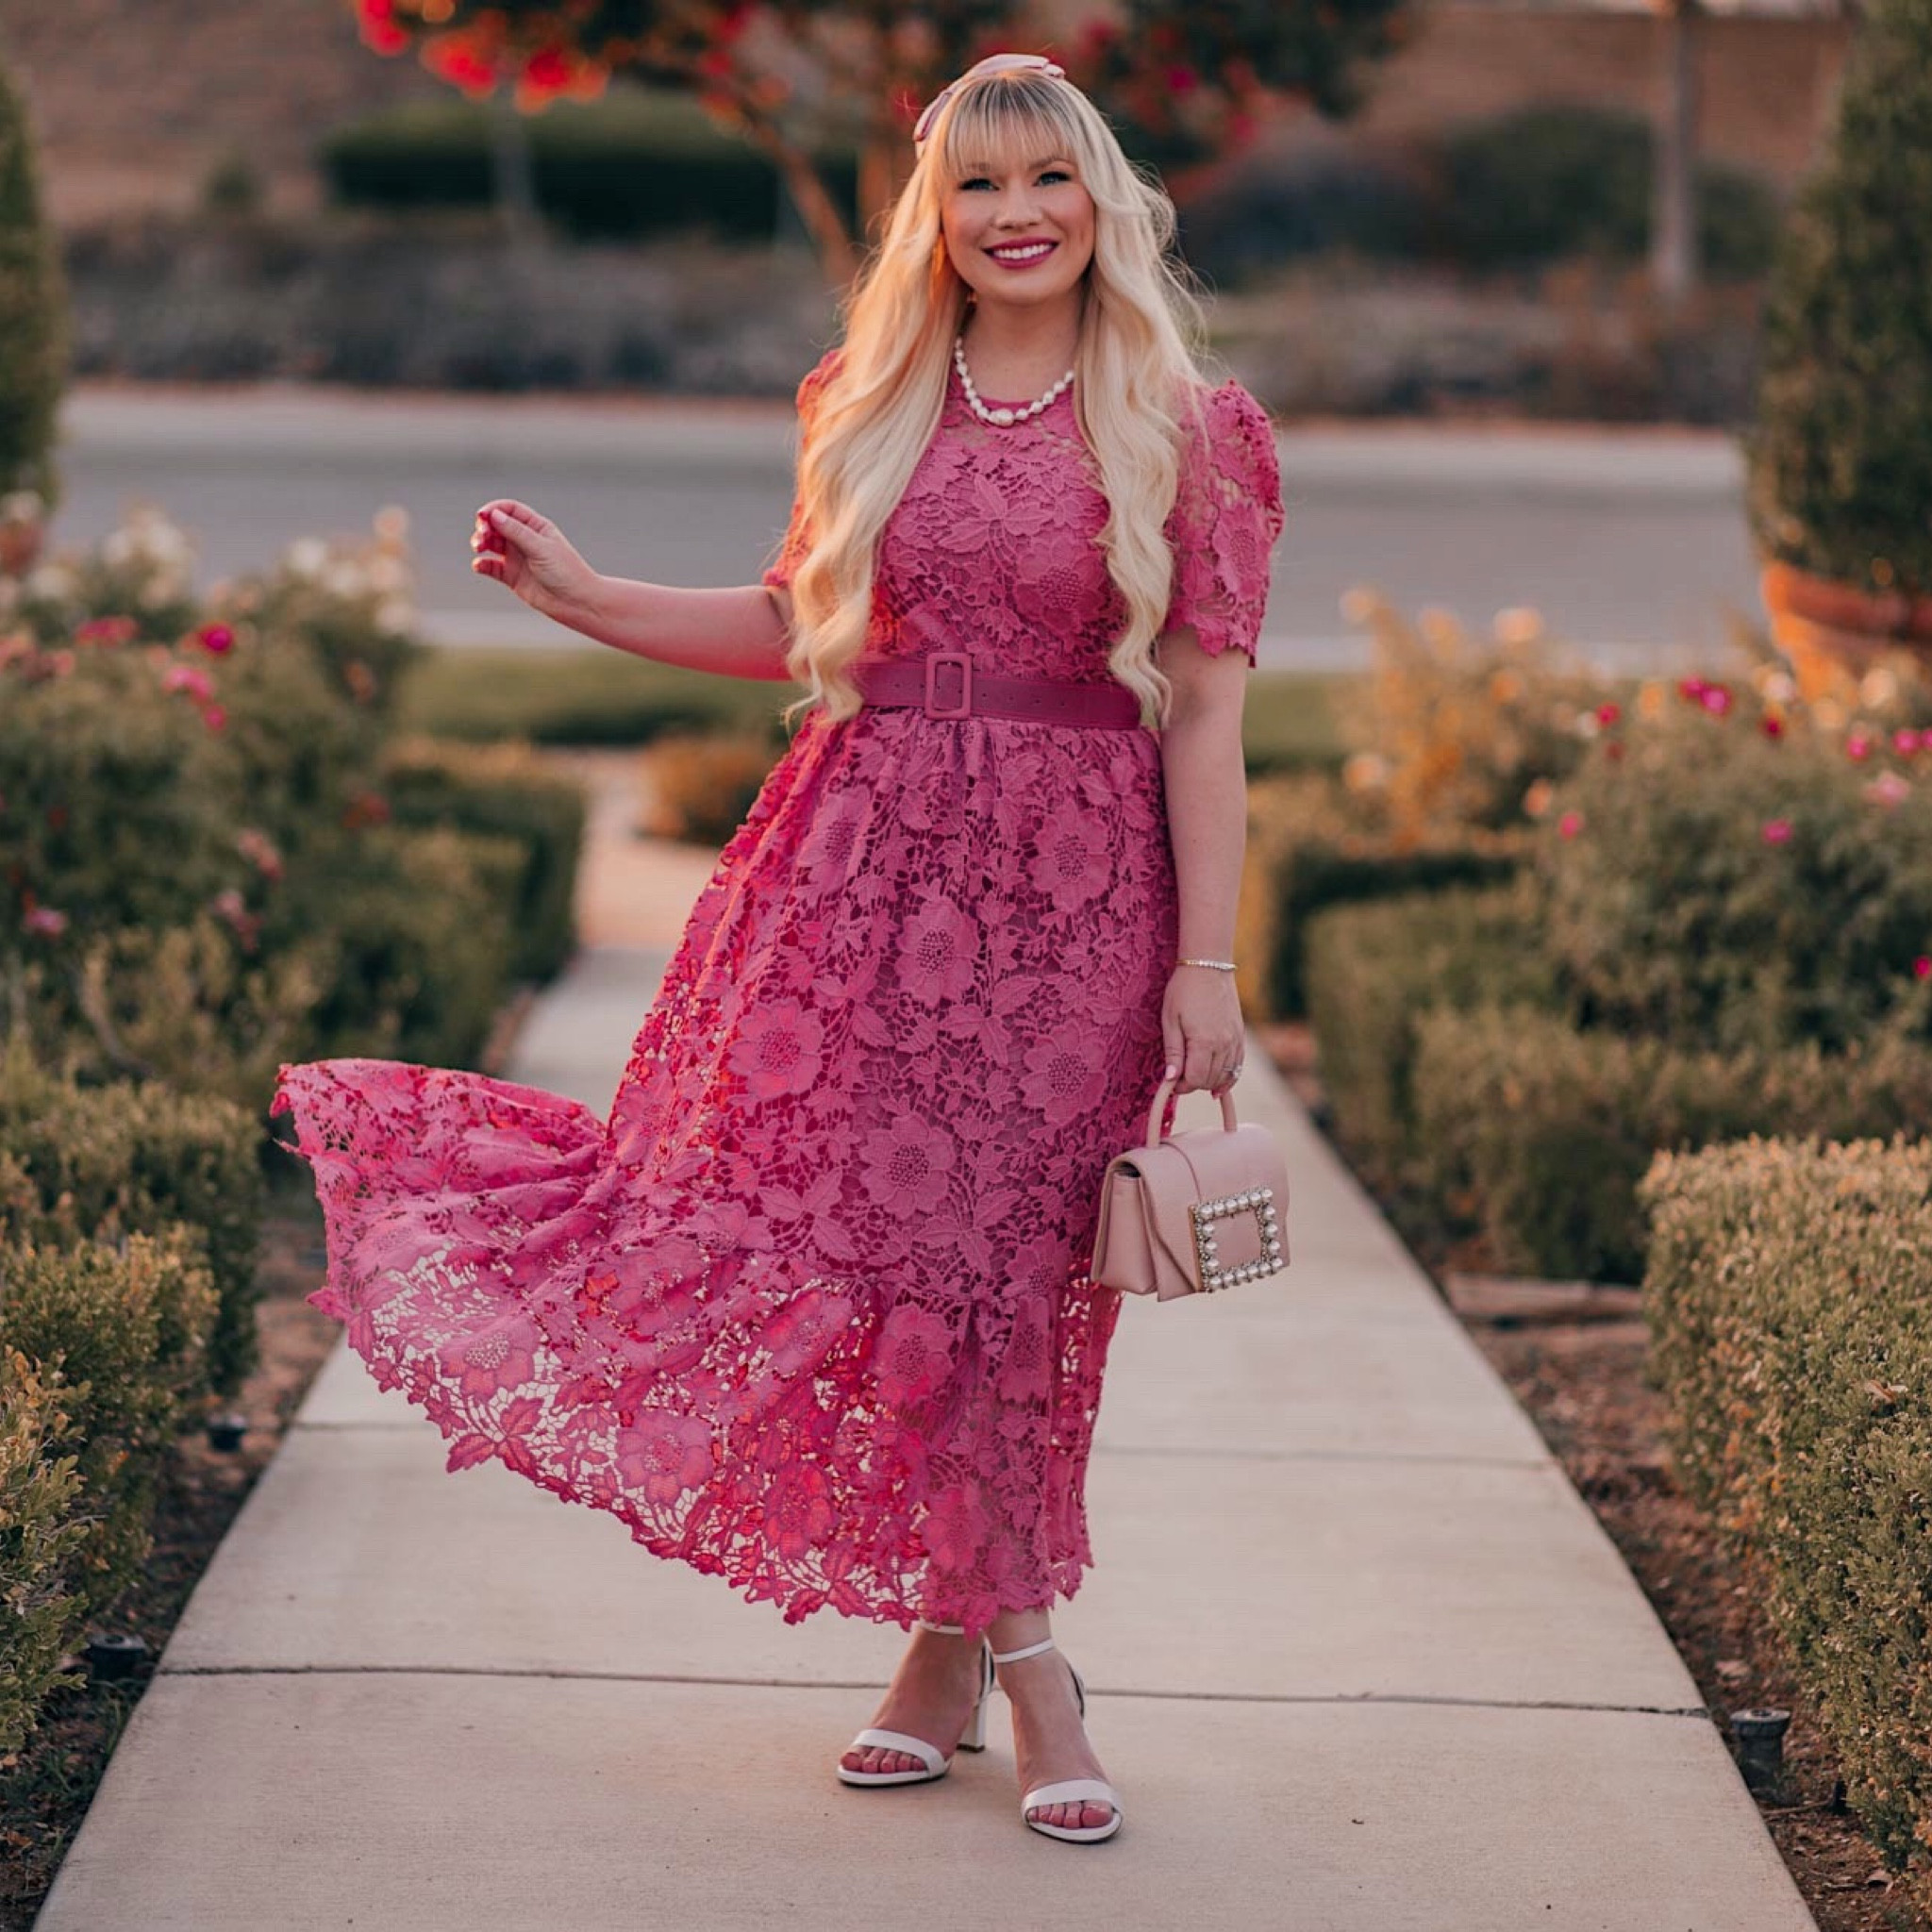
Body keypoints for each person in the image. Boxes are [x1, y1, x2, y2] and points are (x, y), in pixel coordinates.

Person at [271, 48, 1283, 1848]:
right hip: (848, 882)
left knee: (997, 1280)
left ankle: (992, 1661)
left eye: (1048, 178)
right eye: (977, 187)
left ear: (1101, 197)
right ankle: (968, 1655)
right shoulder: (869, 392)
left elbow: (1201, 724)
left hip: (1071, 909)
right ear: (938, 216)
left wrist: (1207, 970)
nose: (1017, 215)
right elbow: (792, 625)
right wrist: (588, 602)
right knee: (853, 1253)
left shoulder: (1195, 432)